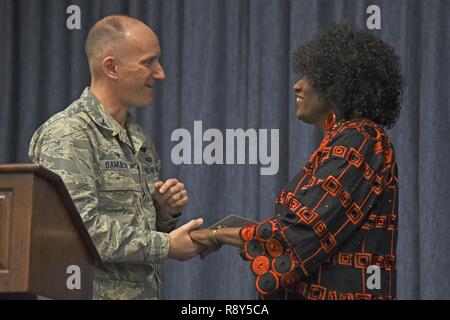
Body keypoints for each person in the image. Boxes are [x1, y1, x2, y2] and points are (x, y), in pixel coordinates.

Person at [191, 22, 404, 300]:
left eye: (309, 76)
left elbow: (302, 231)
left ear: (338, 84)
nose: (297, 85)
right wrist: (249, 237)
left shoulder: (361, 139)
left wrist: (218, 235)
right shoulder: (344, 139)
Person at [28, 15, 205, 300]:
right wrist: (167, 246)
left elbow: (135, 225)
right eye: (148, 62)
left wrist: (163, 211)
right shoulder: (69, 134)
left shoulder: (138, 138)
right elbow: (78, 230)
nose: (160, 73)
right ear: (111, 67)